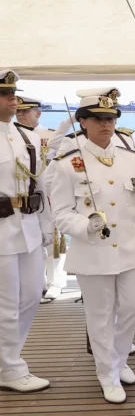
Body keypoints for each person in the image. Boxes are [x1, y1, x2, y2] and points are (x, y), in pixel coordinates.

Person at [49, 94, 135, 404]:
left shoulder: (130, 159)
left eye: (111, 119)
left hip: (130, 251)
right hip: (93, 252)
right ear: (82, 121)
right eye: (98, 118)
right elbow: (60, 213)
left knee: (134, 308)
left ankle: (119, 358)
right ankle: (107, 374)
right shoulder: (68, 164)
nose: (106, 124)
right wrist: (85, 225)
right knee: (99, 317)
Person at [0, 69, 53, 392]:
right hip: (1, 230)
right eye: (4, 94)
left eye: (13, 92)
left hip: (29, 226)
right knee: (6, 302)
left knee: (33, 294)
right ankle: (10, 368)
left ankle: (7, 358)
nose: (12, 97)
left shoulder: (27, 137)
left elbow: (42, 185)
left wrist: (47, 228)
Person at [16, 94, 67, 301]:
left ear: (38, 113)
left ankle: (56, 282)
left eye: (25, 111)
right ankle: (39, 282)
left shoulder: (50, 134)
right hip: (24, 196)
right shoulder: (12, 136)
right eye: (18, 111)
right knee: (29, 238)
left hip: (50, 194)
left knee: (53, 239)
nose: (20, 115)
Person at [55, 87, 135, 156]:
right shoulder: (74, 140)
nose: (106, 122)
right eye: (98, 117)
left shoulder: (126, 137)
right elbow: (54, 144)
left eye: (112, 110)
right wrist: (70, 121)